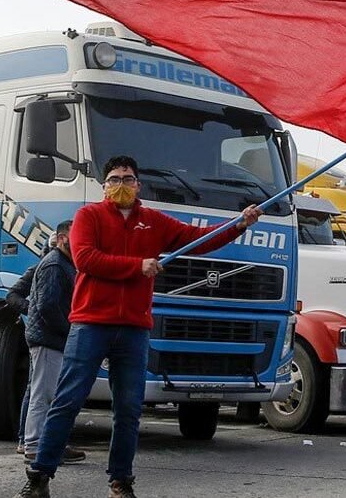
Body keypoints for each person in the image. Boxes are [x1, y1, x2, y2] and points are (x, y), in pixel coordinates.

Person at [16, 155, 262, 498]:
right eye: (115, 180)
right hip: (91, 324)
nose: (121, 185)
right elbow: (86, 258)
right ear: (104, 186)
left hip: (133, 328)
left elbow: (197, 239)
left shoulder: (153, 221)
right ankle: (40, 477)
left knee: (129, 409)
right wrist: (137, 266)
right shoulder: (88, 216)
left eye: (127, 179)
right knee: (67, 401)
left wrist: (238, 225)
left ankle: (121, 482)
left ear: (138, 185)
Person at [22, 221, 85, 465]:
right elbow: (48, 305)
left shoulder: (63, 264)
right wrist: (69, 331)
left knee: (50, 394)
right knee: (44, 394)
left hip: (51, 337)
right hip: (48, 339)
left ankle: (50, 443)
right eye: (74, 236)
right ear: (61, 238)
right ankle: (35, 445)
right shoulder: (55, 265)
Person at [7, 233, 57, 454]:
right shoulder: (43, 268)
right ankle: (27, 439)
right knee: (36, 388)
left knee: (38, 388)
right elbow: (12, 295)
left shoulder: (55, 267)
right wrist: (32, 309)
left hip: (46, 335)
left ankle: (33, 439)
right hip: (43, 335)